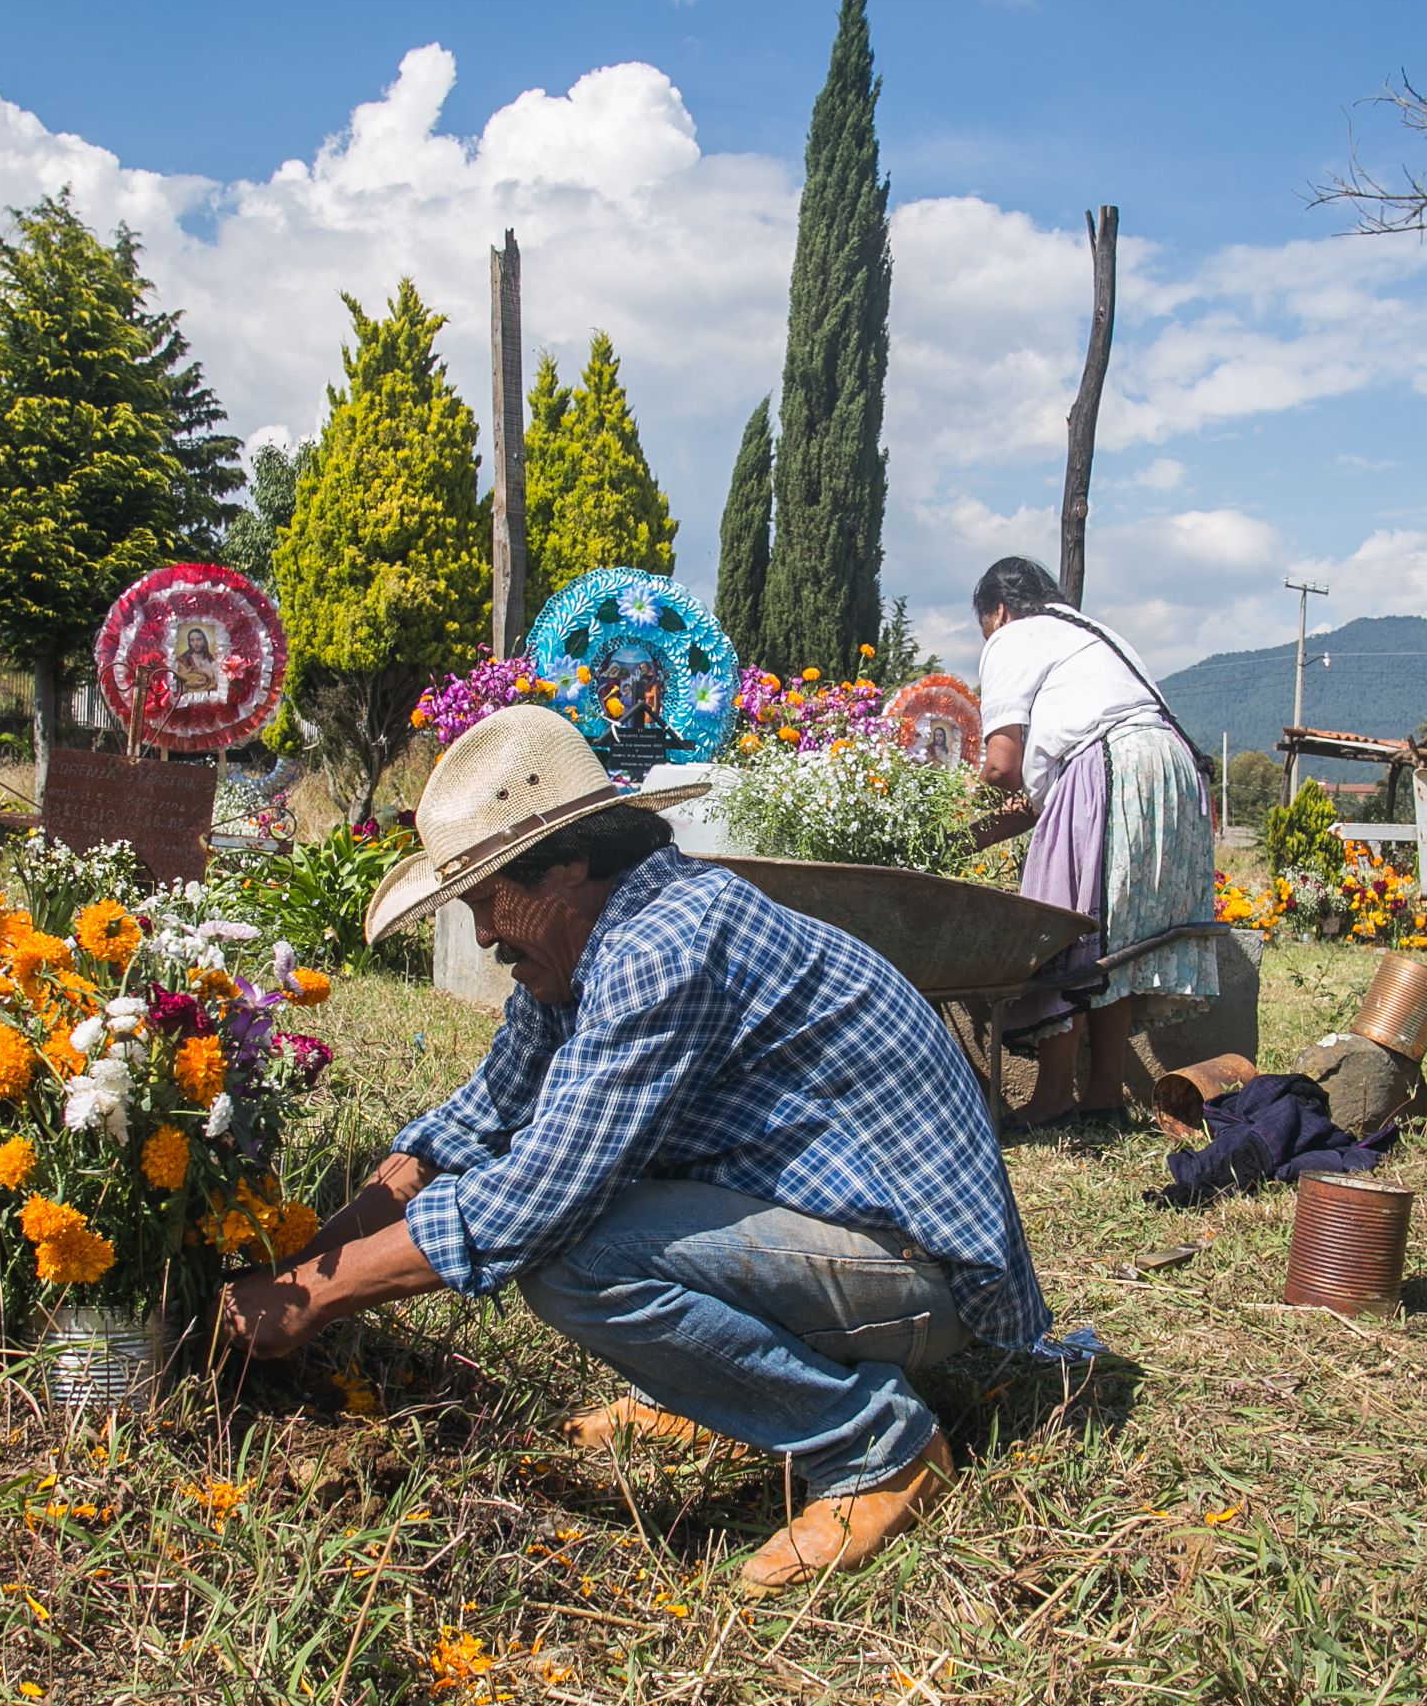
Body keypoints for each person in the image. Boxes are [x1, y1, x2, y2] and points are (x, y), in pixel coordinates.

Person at [215, 705, 1050, 1594]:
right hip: (845, 1238)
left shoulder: (663, 947)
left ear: (571, 862)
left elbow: (531, 1201)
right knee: (593, 1194)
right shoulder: (581, 944)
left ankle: (878, 1449)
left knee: (574, 1253)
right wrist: (309, 1257)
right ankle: (725, 1397)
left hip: (924, 1269)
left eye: (487, 897)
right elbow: (473, 1124)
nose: (486, 934)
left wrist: (312, 1299)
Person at [970, 556, 1218, 1128]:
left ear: (998, 611)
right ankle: (1105, 1094)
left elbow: (1002, 768)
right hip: (1172, 769)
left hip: (1111, 764)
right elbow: (1031, 801)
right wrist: (970, 839)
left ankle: (1055, 1095)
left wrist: (943, 825)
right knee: (1120, 935)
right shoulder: (1095, 637)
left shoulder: (1014, 636)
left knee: (1065, 925)